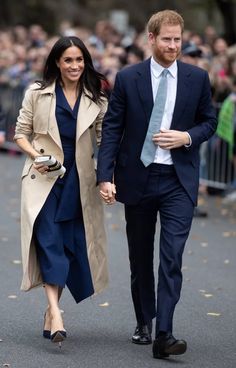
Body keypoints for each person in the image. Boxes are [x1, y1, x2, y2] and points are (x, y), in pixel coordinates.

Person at [97, 10, 217, 359]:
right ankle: (144, 320)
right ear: (151, 39)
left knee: (171, 257)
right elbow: (113, 130)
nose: (173, 45)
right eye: (166, 39)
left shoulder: (197, 78)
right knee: (140, 256)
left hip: (179, 180)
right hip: (139, 177)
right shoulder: (128, 77)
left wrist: (187, 137)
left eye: (178, 39)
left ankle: (165, 332)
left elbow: (208, 122)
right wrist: (105, 176)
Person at [14, 36, 108, 346]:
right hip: (43, 179)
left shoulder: (96, 99)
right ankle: (56, 312)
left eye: (79, 60)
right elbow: (21, 134)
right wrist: (37, 157)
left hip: (78, 182)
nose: (74, 66)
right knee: (50, 243)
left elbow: (105, 142)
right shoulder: (37, 94)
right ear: (57, 62)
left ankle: (50, 311)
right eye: (68, 60)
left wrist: (107, 178)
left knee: (68, 247)